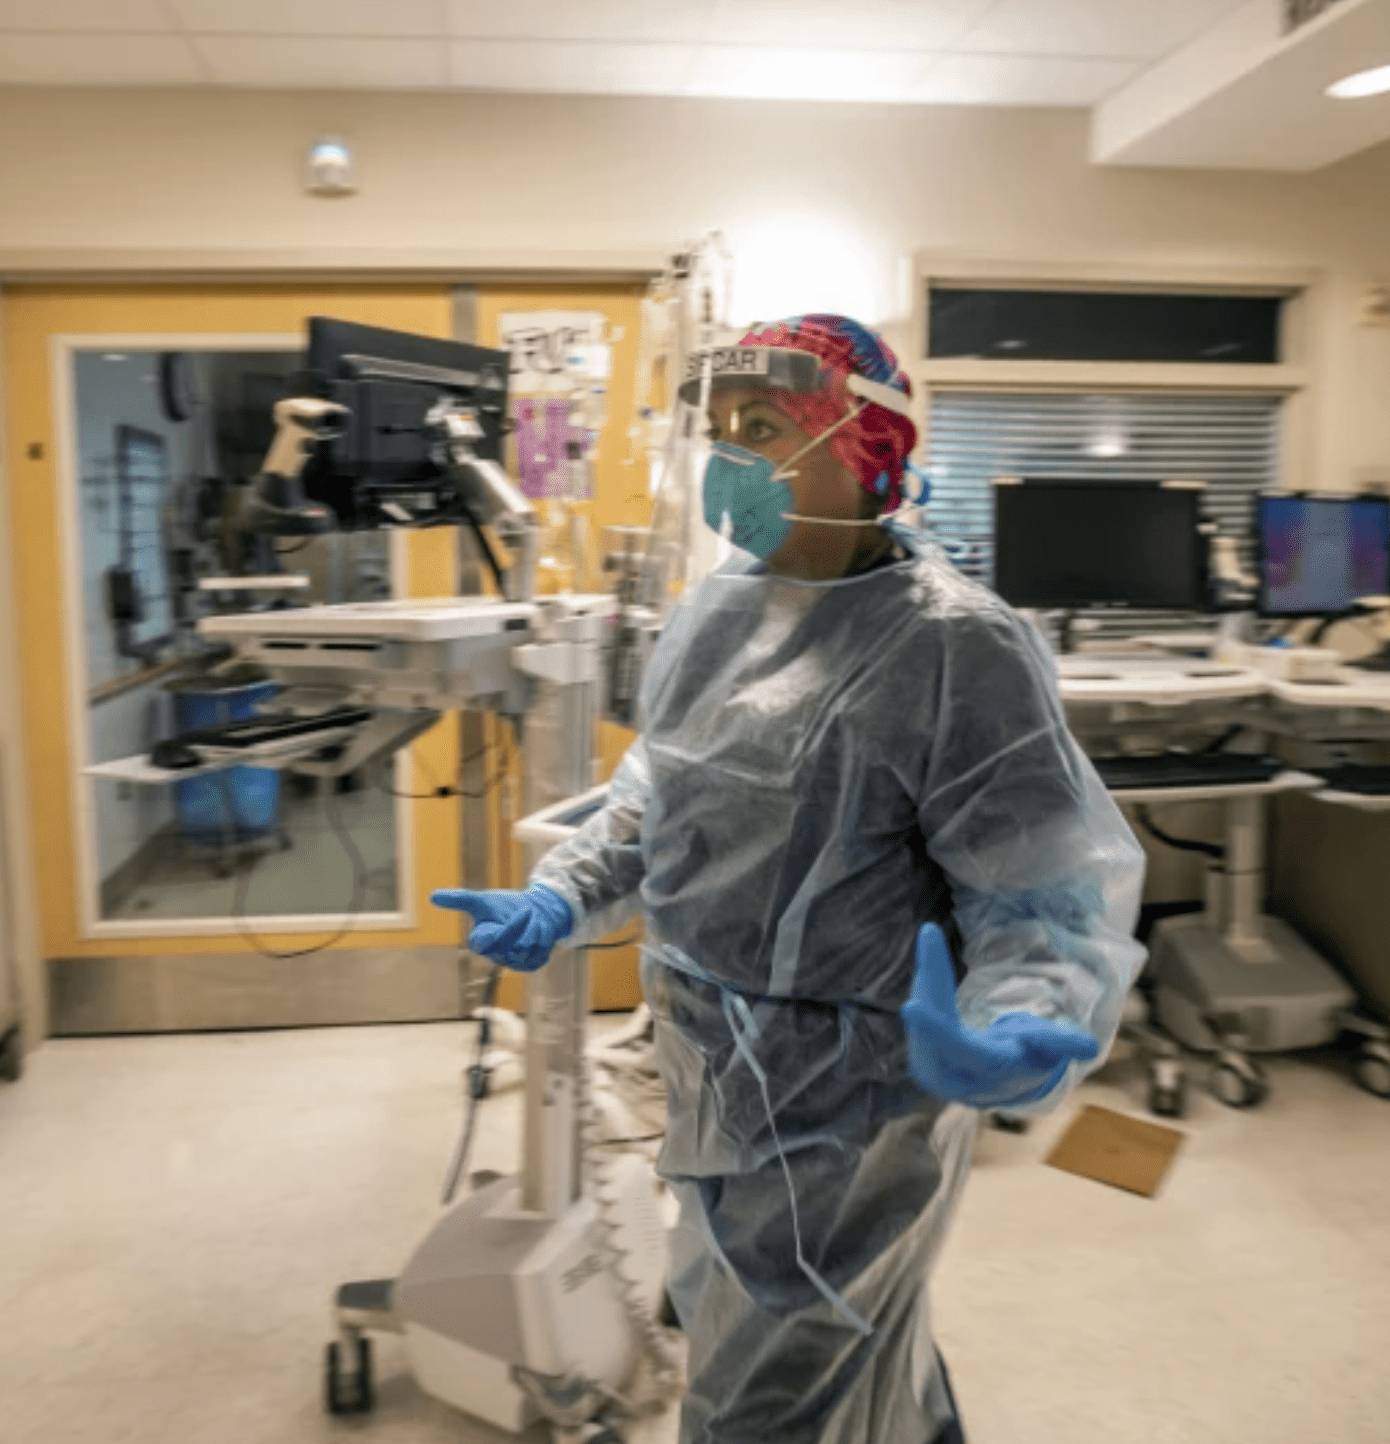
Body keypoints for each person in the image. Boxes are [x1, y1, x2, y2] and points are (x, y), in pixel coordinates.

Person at [434, 314, 1146, 1444]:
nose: (729, 461)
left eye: (759, 427)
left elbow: (1039, 887)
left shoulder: (957, 646)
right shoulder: (716, 610)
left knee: (764, 1399)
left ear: (866, 445)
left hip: (850, 1103)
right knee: (846, 1351)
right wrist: (560, 894)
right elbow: (654, 797)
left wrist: (1020, 1015)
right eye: (718, 432)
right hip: (710, 1065)